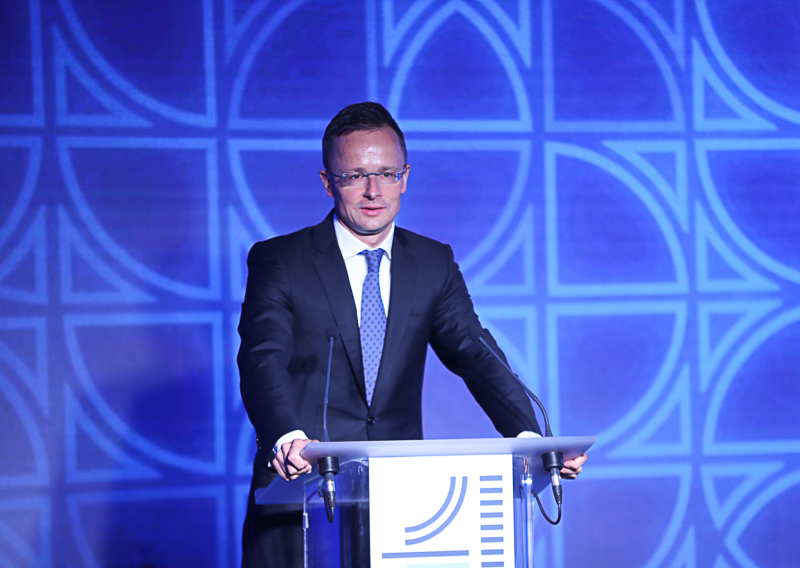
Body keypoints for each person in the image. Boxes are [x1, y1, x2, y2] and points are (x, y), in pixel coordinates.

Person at [238, 102, 587, 566]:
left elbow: (474, 353)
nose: (373, 191)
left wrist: (528, 436)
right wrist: (286, 436)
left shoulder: (432, 262)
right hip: (299, 493)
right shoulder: (281, 261)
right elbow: (262, 358)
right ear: (327, 182)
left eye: (387, 174)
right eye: (355, 176)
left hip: (401, 506)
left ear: (405, 177)